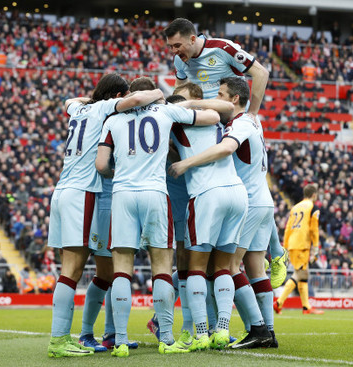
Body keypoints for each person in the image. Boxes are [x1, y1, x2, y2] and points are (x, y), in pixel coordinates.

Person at [95, 77, 220, 357]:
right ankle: (166, 338)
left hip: (123, 195)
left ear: (130, 95)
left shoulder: (113, 120)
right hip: (155, 193)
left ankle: (122, 341)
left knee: (122, 270)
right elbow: (212, 116)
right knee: (162, 267)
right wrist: (191, 103)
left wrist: (118, 175)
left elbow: (101, 164)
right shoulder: (166, 111)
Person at [47, 73, 164, 358]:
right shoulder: (104, 110)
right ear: (115, 97)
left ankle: (93, 335)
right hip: (84, 192)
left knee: (84, 270)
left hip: (62, 190)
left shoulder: (80, 109)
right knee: (73, 270)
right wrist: (159, 93)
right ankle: (61, 339)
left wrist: (92, 98)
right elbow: (135, 99)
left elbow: (68, 101)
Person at [168, 77, 278, 349]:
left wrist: (185, 163)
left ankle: (244, 329)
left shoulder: (237, 124)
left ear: (233, 100)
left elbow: (227, 147)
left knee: (215, 267)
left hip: (237, 197)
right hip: (250, 196)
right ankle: (260, 330)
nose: (215, 98)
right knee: (249, 268)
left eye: (220, 94)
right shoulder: (246, 120)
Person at [168, 83, 247, 351]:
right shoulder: (215, 117)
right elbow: (226, 107)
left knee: (196, 268)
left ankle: (201, 333)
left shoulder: (174, 122)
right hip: (237, 192)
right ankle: (222, 330)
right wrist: (196, 103)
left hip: (206, 194)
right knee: (224, 267)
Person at [164, 18, 269, 115]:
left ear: (192, 39)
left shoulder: (223, 48)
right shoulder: (179, 58)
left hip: (235, 119)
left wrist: (252, 113)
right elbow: (179, 86)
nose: (174, 51)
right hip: (208, 120)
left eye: (177, 46)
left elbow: (261, 73)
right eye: (171, 46)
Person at [274, 183, 324, 315]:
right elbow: (314, 229)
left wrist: (285, 245)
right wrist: (316, 247)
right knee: (299, 274)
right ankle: (279, 302)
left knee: (303, 274)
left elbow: (288, 228)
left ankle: (306, 307)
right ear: (314, 195)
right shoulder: (313, 207)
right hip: (302, 245)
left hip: (292, 244)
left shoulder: (295, 207)